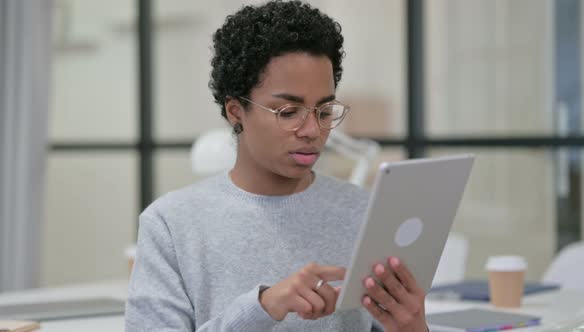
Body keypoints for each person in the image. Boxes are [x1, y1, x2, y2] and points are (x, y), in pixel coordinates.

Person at [125, 1, 428, 331]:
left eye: (324, 112)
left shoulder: (364, 212)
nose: (313, 130)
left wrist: (413, 328)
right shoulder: (171, 224)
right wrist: (262, 308)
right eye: (288, 112)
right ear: (235, 110)